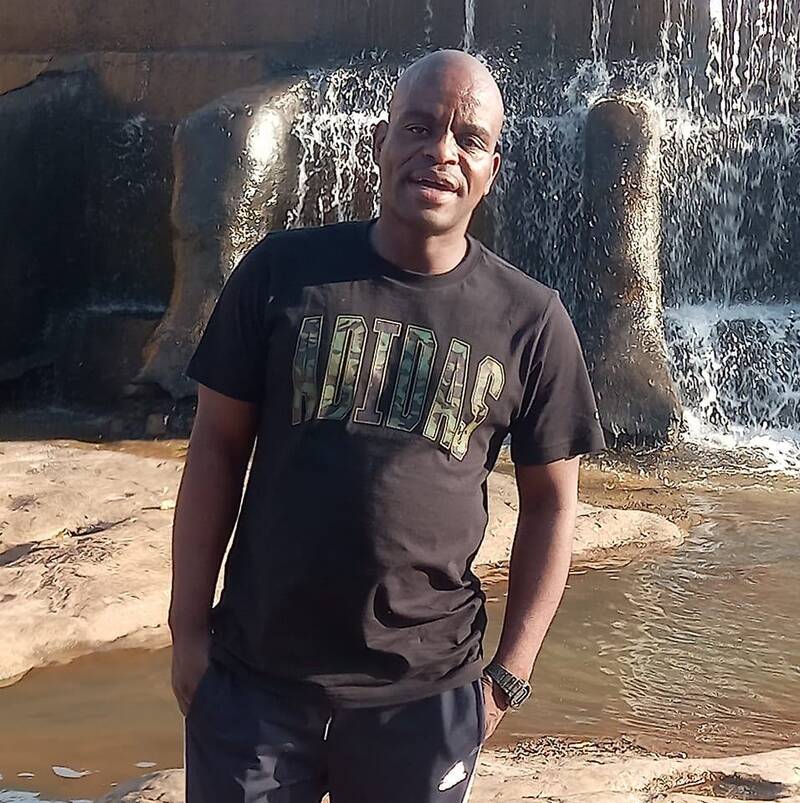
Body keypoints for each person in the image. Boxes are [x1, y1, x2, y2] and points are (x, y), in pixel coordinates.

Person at [170, 49, 606, 803]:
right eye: (419, 127)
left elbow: (552, 504)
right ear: (380, 142)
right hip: (256, 681)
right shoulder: (281, 272)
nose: (441, 151)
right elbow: (215, 448)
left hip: (426, 696)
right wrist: (187, 634)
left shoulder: (533, 321)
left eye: (468, 138)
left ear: (492, 168)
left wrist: (508, 676)